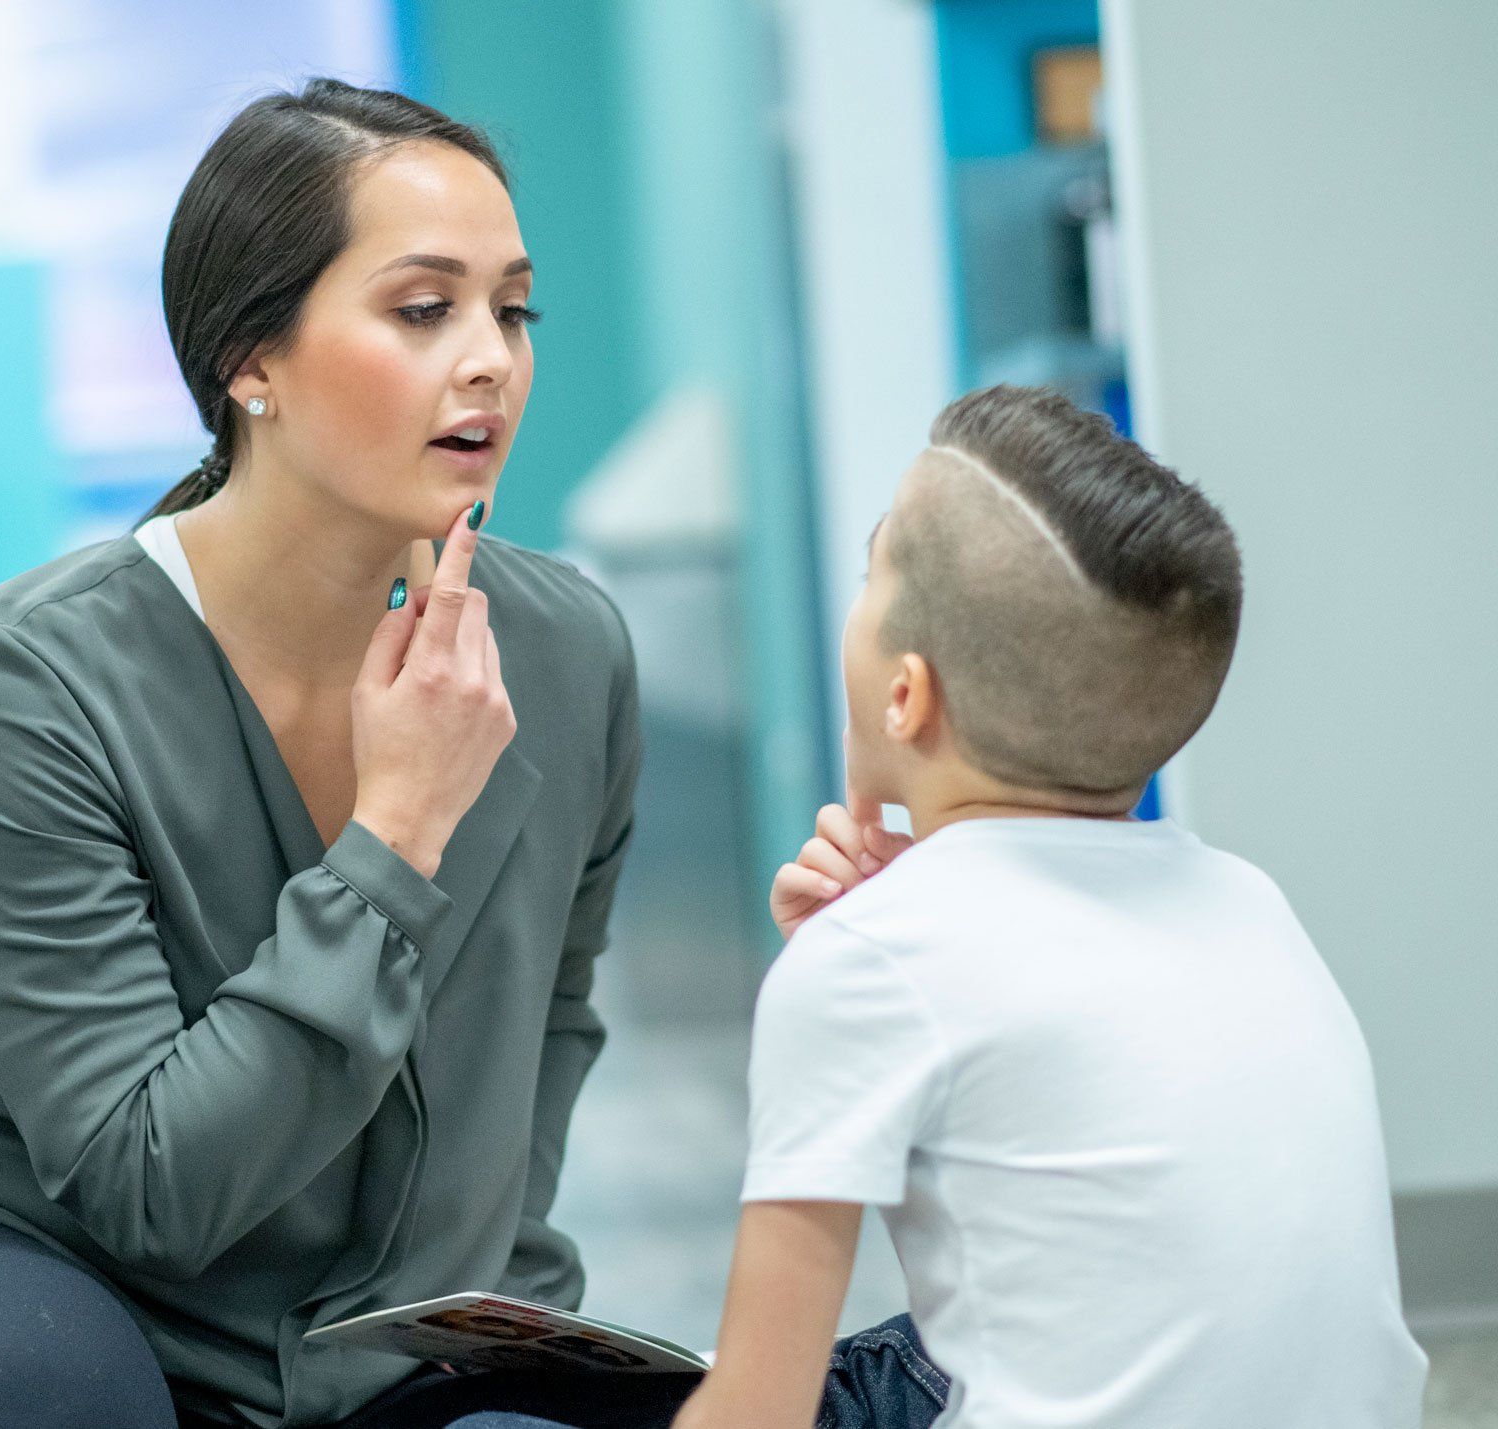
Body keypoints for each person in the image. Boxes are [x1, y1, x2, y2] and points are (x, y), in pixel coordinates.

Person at [0, 78, 665, 1429]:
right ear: (251, 361)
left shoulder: (572, 653)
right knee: (65, 1398)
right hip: (5, 1261)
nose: (491, 361)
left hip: (332, 1322)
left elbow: (545, 1035)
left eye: (510, 309)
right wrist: (395, 838)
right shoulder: (25, 685)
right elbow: (151, 1189)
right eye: (422, 309)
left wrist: (472, 1341)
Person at [462, 385, 1428, 1429]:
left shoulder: (876, 958)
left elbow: (758, 1413)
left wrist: (856, 961)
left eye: (872, 574)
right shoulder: (1250, 900)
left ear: (905, 695)